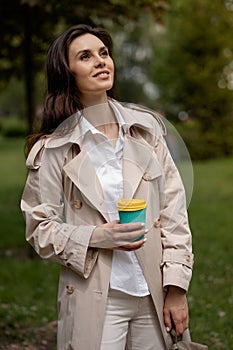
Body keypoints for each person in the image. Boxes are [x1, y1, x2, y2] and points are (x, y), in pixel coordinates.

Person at [21, 24, 194, 350]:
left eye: (103, 53)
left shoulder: (147, 131)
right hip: (96, 297)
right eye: (85, 56)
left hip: (153, 293)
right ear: (67, 72)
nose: (101, 61)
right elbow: (39, 228)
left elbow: (174, 211)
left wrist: (177, 287)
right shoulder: (54, 149)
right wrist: (95, 237)